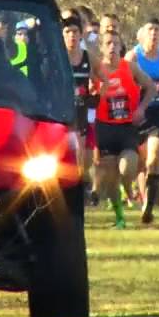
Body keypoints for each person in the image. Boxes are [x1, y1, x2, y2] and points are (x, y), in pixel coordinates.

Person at [92, 31, 155, 229]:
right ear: (102, 48)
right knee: (110, 176)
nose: (112, 47)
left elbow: (151, 87)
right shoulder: (96, 69)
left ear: (121, 47)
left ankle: (131, 188)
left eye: (116, 44)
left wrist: (142, 108)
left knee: (127, 168)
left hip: (127, 127)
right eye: (108, 43)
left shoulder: (130, 67)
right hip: (104, 127)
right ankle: (120, 218)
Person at [127, 21, 159, 223]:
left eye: (157, 30)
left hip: (158, 112)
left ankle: (149, 205)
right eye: (150, 30)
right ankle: (140, 194)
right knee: (139, 163)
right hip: (136, 113)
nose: (154, 34)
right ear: (141, 35)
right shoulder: (133, 57)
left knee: (155, 155)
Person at [64, 16, 96, 195]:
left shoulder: (87, 56)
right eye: (67, 32)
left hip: (81, 110)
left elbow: (102, 77)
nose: (72, 36)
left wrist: (96, 91)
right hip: (61, 111)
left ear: (81, 34)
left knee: (80, 151)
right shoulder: (57, 56)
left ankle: (79, 190)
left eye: (75, 32)